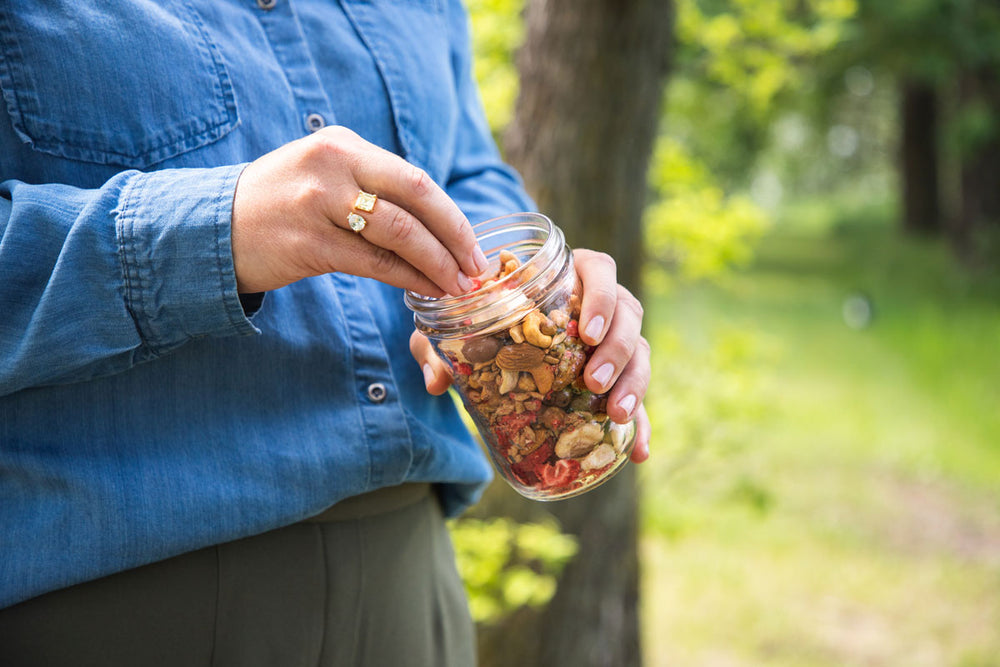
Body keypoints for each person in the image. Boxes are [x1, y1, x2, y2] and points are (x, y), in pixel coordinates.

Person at [0, 1, 651, 665]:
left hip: (411, 577)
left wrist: (524, 297)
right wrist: (214, 228)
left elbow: (457, 168)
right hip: (105, 601)